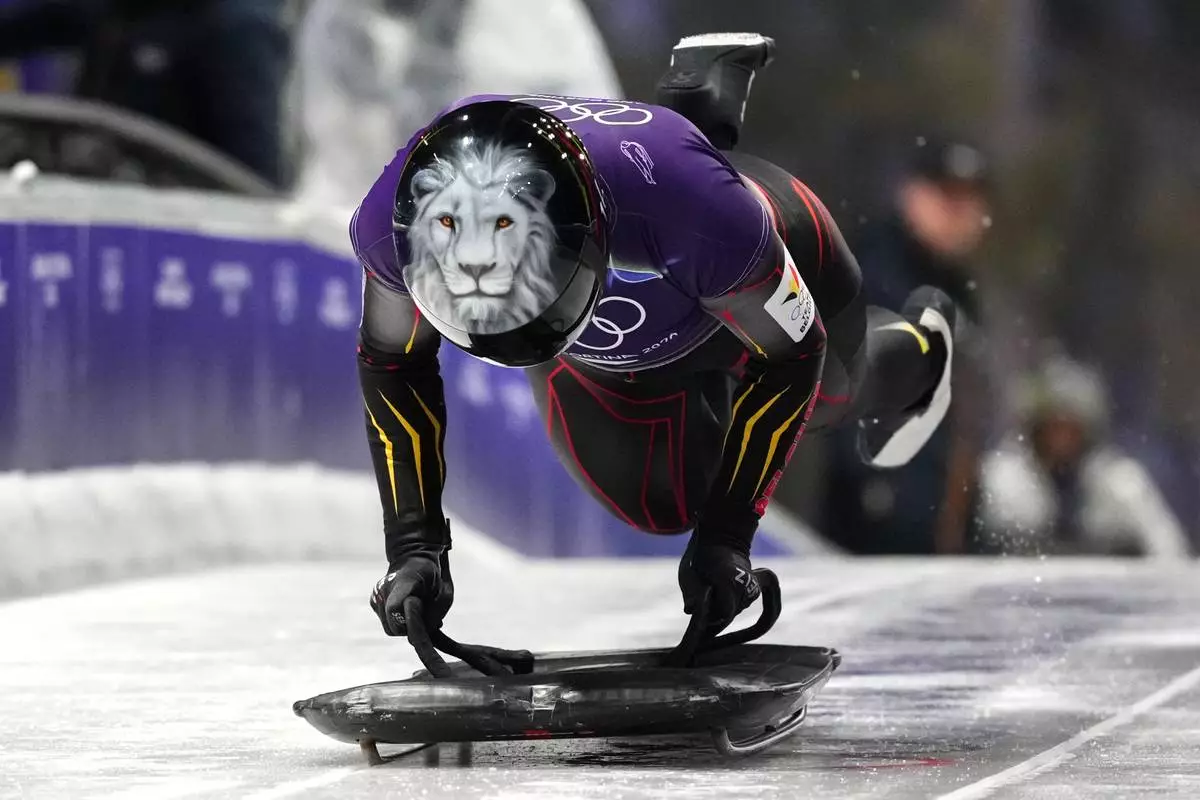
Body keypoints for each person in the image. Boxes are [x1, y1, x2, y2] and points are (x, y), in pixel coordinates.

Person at [354, 34, 959, 642]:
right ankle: (697, 113)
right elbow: (393, 365)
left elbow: (795, 355)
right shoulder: (392, 223)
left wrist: (727, 537)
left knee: (831, 395)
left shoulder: (700, 218)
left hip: (745, 262)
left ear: (593, 237)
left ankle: (923, 352)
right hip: (619, 341)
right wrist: (414, 549)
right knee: (660, 504)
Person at [818, 137, 993, 555]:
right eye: (945, 197)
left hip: (934, 524)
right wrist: (878, 489)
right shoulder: (873, 272)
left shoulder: (957, 289)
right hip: (868, 527)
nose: (956, 214)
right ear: (911, 194)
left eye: (968, 201)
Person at [0, 0, 291, 187]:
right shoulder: (115, 12)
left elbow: (256, 178)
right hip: (98, 199)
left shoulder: (236, 28)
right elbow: (35, 25)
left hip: (180, 226)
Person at [975, 354, 1189, 559]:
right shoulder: (1005, 477)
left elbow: (1168, 548)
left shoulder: (1119, 482)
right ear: (1035, 429)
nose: (1060, 439)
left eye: (1069, 428)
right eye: (1052, 427)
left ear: (1086, 430)